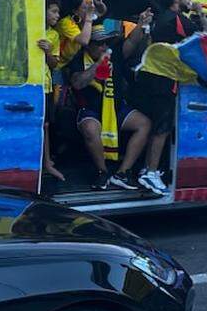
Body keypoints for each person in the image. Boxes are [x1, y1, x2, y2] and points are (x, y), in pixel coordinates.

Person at [131, 0, 207, 193]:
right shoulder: (176, 19)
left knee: (157, 126)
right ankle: (150, 172)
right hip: (164, 80)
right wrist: (201, 14)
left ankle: (148, 171)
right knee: (162, 129)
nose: (189, 1)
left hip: (153, 78)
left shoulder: (161, 19)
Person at [66, 21, 154, 191]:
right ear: (89, 46)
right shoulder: (78, 59)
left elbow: (132, 42)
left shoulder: (114, 54)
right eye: (99, 44)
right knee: (91, 129)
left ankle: (122, 173)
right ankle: (102, 172)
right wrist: (98, 64)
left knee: (145, 124)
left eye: (105, 43)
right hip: (90, 110)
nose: (104, 47)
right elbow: (78, 83)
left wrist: (141, 23)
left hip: (116, 108)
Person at [37, 0, 66, 181]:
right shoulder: (31, 28)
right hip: (33, 85)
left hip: (46, 85)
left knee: (46, 125)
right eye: (53, 11)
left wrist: (47, 51)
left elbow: (55, 63)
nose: (57, 15)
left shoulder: (54, 35)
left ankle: (46, 163)